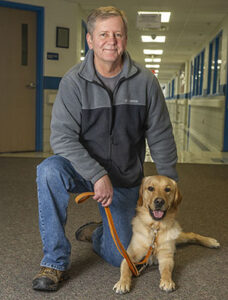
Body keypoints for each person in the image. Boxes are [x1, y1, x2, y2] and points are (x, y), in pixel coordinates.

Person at [32, 6, 178, 292]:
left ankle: (99, 234)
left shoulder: (146, 82)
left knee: (121, 257)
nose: (111, 41)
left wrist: (171, 184)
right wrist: (96, 174)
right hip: (83, 171)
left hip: (124, 178)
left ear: (125, 38)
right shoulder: (73, 82)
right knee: (48, 170)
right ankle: (54, 261)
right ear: (90, 40)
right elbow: (62, 138)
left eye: (118, 34)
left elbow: (160, 134)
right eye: (103, 34)